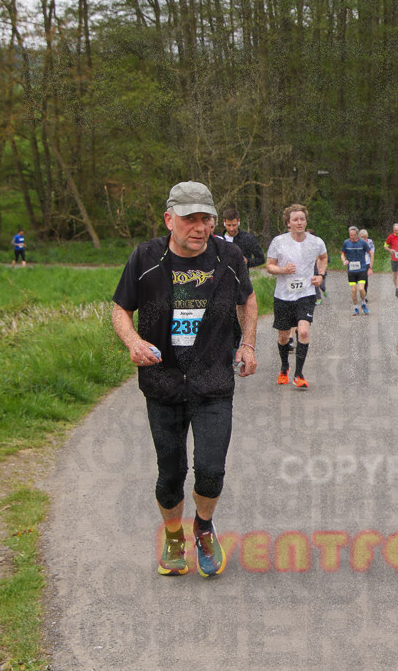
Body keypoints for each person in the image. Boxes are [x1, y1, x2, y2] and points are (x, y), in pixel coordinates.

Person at [111, 181, 258, 577]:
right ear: (168, 219)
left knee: (211, 469)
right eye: (189, 218)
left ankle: (204, 528)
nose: (199, 227)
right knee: (171, 472)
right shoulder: (145, 258)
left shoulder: (229, 256)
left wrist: (247, 345)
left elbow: (247, 299)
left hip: (212, 382)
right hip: (163, 384)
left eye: (206, 218)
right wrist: (133, 340)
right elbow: (120, 310)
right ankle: (174, 534)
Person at [266, 204, 328, 388]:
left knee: (303, 331)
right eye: (295, 219)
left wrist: (320, 275)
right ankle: (284, 368)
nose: (299, 222)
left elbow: (323, 258)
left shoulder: (316, 242)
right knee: (284, 337)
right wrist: (283, 269)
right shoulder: (279, 242)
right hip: (283, 296)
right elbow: (269, 266)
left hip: (306, 294)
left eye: (302, 219)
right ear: (288, 223)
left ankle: (299, 374)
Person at [341, 226, 373, 316]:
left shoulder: (363, 243)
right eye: (351, 235)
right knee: (353, 290)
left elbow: (371, 253)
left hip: (362, 269)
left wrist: (370, 266)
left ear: (357, 234)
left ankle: (363, 303)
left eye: (354, 235)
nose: (353, 237)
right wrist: (344, 260)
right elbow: (343, 254)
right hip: (351, 271)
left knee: (361, 289)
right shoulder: (346, 243)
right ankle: (355, 308)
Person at [358, 228, 375, 299]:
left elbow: (372, 251)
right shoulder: (357, 242)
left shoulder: (370, 242)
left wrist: (371, 265)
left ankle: (365, 294)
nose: (364, 238)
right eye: (362, 237)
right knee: (359, 279)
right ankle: (361, 291)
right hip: (359, 262)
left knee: (365, 279)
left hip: (367, 262)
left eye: (365, 237)